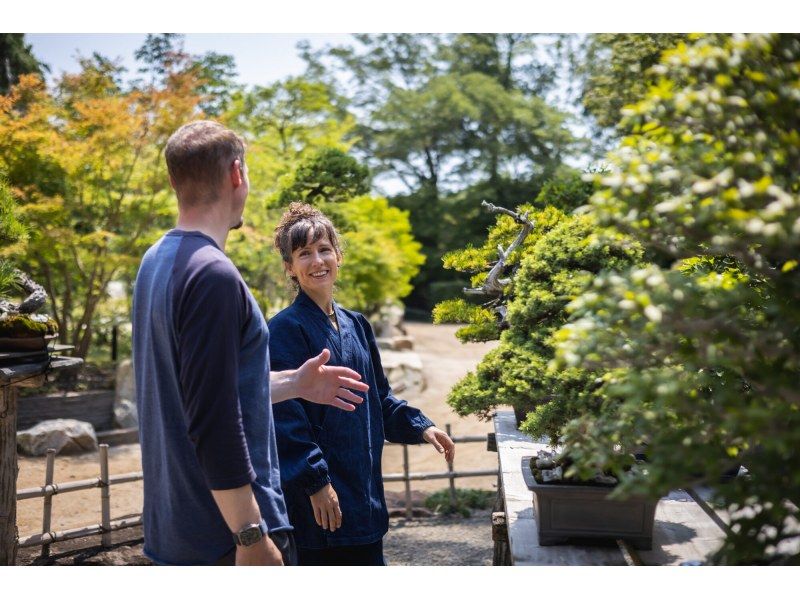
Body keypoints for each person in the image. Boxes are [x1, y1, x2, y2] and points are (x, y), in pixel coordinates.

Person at [132, 121, 369, 566]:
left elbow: (206, 390)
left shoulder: (155, 261)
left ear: (173, 180)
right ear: (237, 174)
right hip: (225, 536)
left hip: (176, 526)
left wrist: (292, 384)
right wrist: (250, 535)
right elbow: (213, 419)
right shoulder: (213, 275)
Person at [268, 202, 455, 566]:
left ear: (339, 256)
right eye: (304, 253)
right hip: (319, 501)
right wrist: (315, 482)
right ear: (290, 267)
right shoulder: (284, 329)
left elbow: (379, 398)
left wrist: (421, 427)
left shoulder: (357, 324)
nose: (317, 261)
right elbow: (284, 419)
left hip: (363, 492)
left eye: (324, 249)